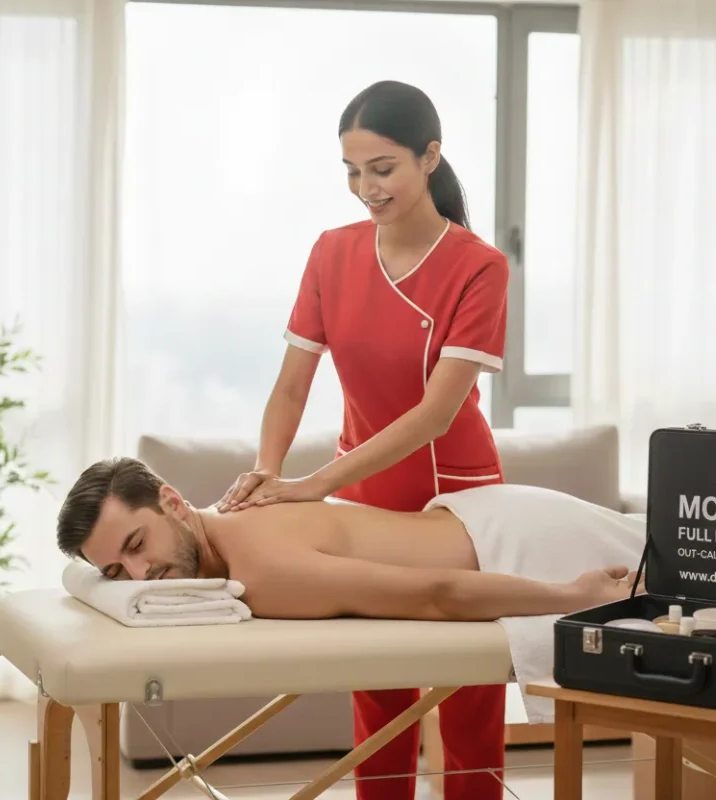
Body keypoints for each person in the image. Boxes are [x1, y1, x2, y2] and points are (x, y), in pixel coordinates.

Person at [212, 79, 512, 800]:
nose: (364, 187)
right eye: (352, 171)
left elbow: (438, 414)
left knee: (468, 693)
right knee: (379, 690)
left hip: (460, 500)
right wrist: (266, 474)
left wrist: (316, 483)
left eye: (382, 169)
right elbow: (291, 386)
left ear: (430, 156)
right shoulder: (332, 253)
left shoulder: (479, 267)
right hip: (368, 499)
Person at [56, 456, 641, 622]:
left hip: (519, 545)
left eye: (136, 546)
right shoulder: (234, 518)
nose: (139, 579)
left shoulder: (260, 571)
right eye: (113, 575)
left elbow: (434, 594)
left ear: (173, 503)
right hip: (485, 520)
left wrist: (572, 597)